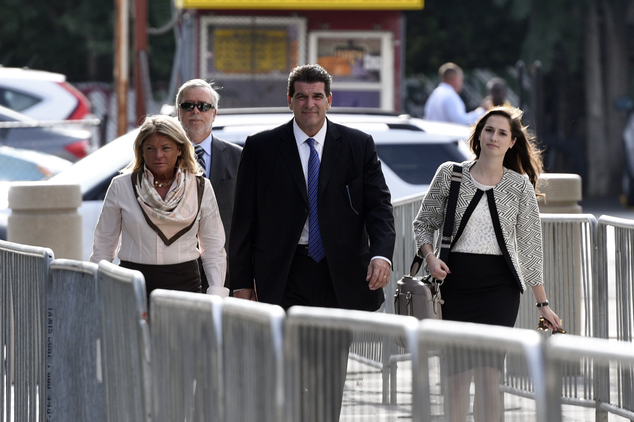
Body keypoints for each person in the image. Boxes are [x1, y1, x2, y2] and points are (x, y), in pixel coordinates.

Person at [229, 64, 395, 421]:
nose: (309, 104)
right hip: (282, 273)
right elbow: (244, 220)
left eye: (317, 96)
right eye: (301, 96)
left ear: (329, 100)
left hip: (337, 274)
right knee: (289, 365)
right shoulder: (261, 147)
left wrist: (381, 254)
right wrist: (241, 283)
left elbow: (378, 207)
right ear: (289, 101)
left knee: (331, 365)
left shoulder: (357, 145)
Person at [413, 106, 561, 422]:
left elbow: (531, 248)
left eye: (502, 133)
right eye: (489, 130)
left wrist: (542, 304)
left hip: (499, 289)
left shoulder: (519, 187)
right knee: (454, 379)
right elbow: (423, 224)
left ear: (512, 143)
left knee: (489, 378)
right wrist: (430, 256)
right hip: (453, 285)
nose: (494, 137)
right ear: (479, 134)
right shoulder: (450, 174)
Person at [90, 115, 228, 299]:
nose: (158, 155)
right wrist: (93, 292)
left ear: (179, 149)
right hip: (131, 286)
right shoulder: (121, 186)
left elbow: (213, 247)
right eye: (150, 149)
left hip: (185, 285)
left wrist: (217, 294)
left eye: (166, 148)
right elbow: (104, 246)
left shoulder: (201, 187)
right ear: (141, 151)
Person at [176, 79, 242, 293]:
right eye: (188, 105)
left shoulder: (239, 158)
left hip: (227, 271)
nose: (195, 111)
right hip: (176, 271)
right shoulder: (162, 158)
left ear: (214, 113)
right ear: (179, 112)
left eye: (203, 106)